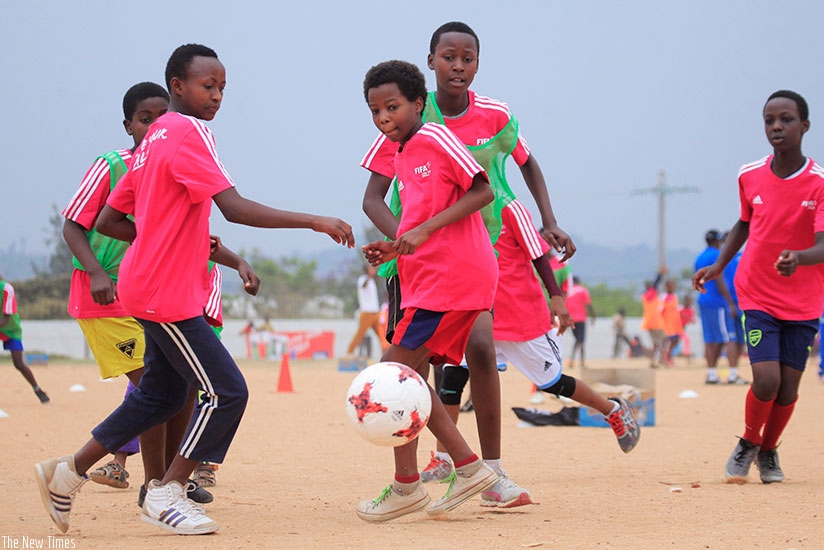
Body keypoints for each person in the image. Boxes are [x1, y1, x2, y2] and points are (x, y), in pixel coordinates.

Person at [35, 43, 354, 536]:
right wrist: (313, 219)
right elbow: (235, 207)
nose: (218, 96)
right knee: (227, 391)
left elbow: (112, 219)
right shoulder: (189, 133)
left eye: (224, 87)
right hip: (166, 294)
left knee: (160, 396)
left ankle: (68, 471)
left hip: (144, 284)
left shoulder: (156, 137)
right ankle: (166, 491)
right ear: (177, 87)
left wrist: (160, 234)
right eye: (209, 85)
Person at [361, 22, 576, 507]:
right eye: (448, 57)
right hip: (427, 264)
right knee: (410, 369)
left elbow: (512, 172)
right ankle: (440, 473)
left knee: (433, 363)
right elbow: (373, 196)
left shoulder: (475, 121)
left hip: (474, 257)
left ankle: (478, 472)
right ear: (431, 60)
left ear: (477, 62)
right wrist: (403, 240)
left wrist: (548, 220)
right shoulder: (404, 124)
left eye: (467, 58)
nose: (458, 66)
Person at [357, 59, 499, 522]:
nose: (383, 119)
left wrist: (421, 234)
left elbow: (482, 191)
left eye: (392, 107)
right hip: (428, 279)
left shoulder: (435, 138)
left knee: (393, 376)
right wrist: (397, 245)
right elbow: (413, 223)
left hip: (453, 278)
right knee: (405, 378)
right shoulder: (400, 152)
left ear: (419, 103)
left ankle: (450, 472)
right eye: (375, 111)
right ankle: (435, 476)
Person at [429, 200, 640, 490]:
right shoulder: (457, 207)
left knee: (552, 383)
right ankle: (442, 458)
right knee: (452, 379)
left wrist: (556, 296)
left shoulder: (511, 208)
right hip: (476, 312)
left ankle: (613, 409)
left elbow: (539, 255)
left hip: (520, 316)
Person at [693, 89, 824, 484]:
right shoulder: (749, 174)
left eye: (786, 119)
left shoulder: (818, 183)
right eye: (770, 121)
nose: (777, 127)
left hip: (803, 299)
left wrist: (798, 258)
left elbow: (822, 244)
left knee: (787, 390)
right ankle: (749, 442)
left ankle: (770, 452)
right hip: (757, 292)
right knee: (766, 380)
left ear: (805, 125)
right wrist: (718, 265)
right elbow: (745, 223)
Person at [694, 229, 744, 384]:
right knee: (730, 337)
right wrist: (730, 302)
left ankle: (711, 373)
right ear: (718, 241)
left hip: (704, 299)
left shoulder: (699, 257)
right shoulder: (717, 255)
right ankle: (733, 374)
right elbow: (720, 279)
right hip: (719, 301)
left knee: (711, 338)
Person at [0, 275, 50, 403]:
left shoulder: (6, 288)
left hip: (11, 328)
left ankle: (38, 389)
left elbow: (6, 318)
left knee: (19, 364)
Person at [345, 264, 388, 358]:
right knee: (360, 334)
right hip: (366, 313)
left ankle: (386, 354)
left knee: (382, 335)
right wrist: (369, 275)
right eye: (370, 268)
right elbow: (364, 286)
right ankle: (349, 352)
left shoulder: (373, 280)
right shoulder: (363, 279)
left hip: (375, 312)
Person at [565, 276, 595, 368]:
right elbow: (588, 304)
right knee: (580, 340)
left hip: (569, 319)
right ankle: (581, 362)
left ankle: (572, 360)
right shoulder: (583, 290)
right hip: (580, 319)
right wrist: (593, 316)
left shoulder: (567, 291)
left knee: (577, 340)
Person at [640, 268, 666, 368]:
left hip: (652, 322)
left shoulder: (647, 296)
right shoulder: (650, 294)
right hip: (654, 323)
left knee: (657, 343)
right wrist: (660, 274)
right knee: (661, 341)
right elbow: (656, 284)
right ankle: (660, 359)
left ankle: (655, 360)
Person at [661, 279, 683, 366]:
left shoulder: (674, 296)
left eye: (673, 286)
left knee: (676, 339)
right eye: (670, 286)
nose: (672, 288)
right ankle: (664, 357)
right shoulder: (664, 297)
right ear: (666, 287)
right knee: (666, 340)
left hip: (675, 323)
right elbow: (660, 310)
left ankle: (669, 355)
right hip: (667, 323)